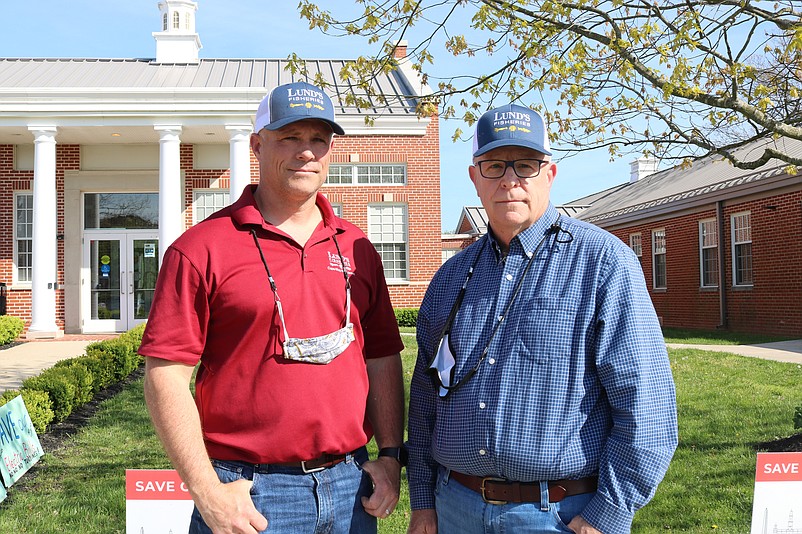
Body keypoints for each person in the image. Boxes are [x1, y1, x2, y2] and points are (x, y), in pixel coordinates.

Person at [139, 81, 406, 534]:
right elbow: (164, 376)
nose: (307, 152)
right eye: (290, 137)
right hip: (249, 493)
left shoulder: (358, 247)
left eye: (318, 139)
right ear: (258, 146)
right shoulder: (202, 248)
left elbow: (380, 355)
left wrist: (391, 456)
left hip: (351, 488)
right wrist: (206, 491)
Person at [406, 104, 678, 534]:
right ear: (475, 178)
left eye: (526, 165)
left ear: (549, 175)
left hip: (560, 516)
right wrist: (422, 499)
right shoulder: (450, 277)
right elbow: (425, 398)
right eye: (494, 166)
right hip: (453, 508)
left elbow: (646, 405)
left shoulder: (604, 264)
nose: (510, 180)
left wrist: (608, 513)